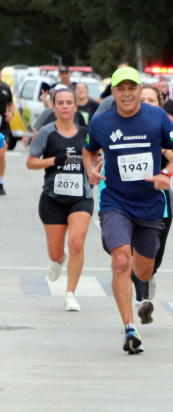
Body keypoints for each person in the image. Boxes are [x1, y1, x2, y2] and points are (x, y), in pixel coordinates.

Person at [82, 67, 173, 354]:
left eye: (131, 87)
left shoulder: (158, 118)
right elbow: (89, 149)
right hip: (116, 201)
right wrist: (91, 169)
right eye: (120, 88)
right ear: (113, 92)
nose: (126, 93)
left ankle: (142, 283)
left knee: (143, 270)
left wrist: (166, 172)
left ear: (141, 89)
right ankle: (130, 328)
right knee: (120, 259)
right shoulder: (101, 122)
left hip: (151, 205)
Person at [25, 87, 92, 311]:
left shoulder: (86, 133)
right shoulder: (46, 132)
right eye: (60, 103)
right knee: (56, 251)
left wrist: (95, 166)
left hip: (81, 197)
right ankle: (57, 260)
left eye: (68, 102)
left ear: (75, 106)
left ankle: (70, 293)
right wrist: (54, 160)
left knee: (77, 242)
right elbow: (31, 162)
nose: (64, 106)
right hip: (53, 198)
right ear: (53, 107)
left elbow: (96, 158)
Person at [130, 85, 173, 304]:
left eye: (152, 100)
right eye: (144, 99)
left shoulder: (165, 128)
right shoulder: (126, 124)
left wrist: (162, 149)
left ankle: (149, 275)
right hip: (128, 197)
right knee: (131, 248)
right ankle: (142, 298)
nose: (148, 104)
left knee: (155, 251)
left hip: (160, 198)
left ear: (159, 104)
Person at [0, 76, 15, 195]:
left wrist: (11, 114)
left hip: (2, 126)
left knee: (1, 155)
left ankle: (0, 182)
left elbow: (11, 104)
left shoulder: (5, 88)